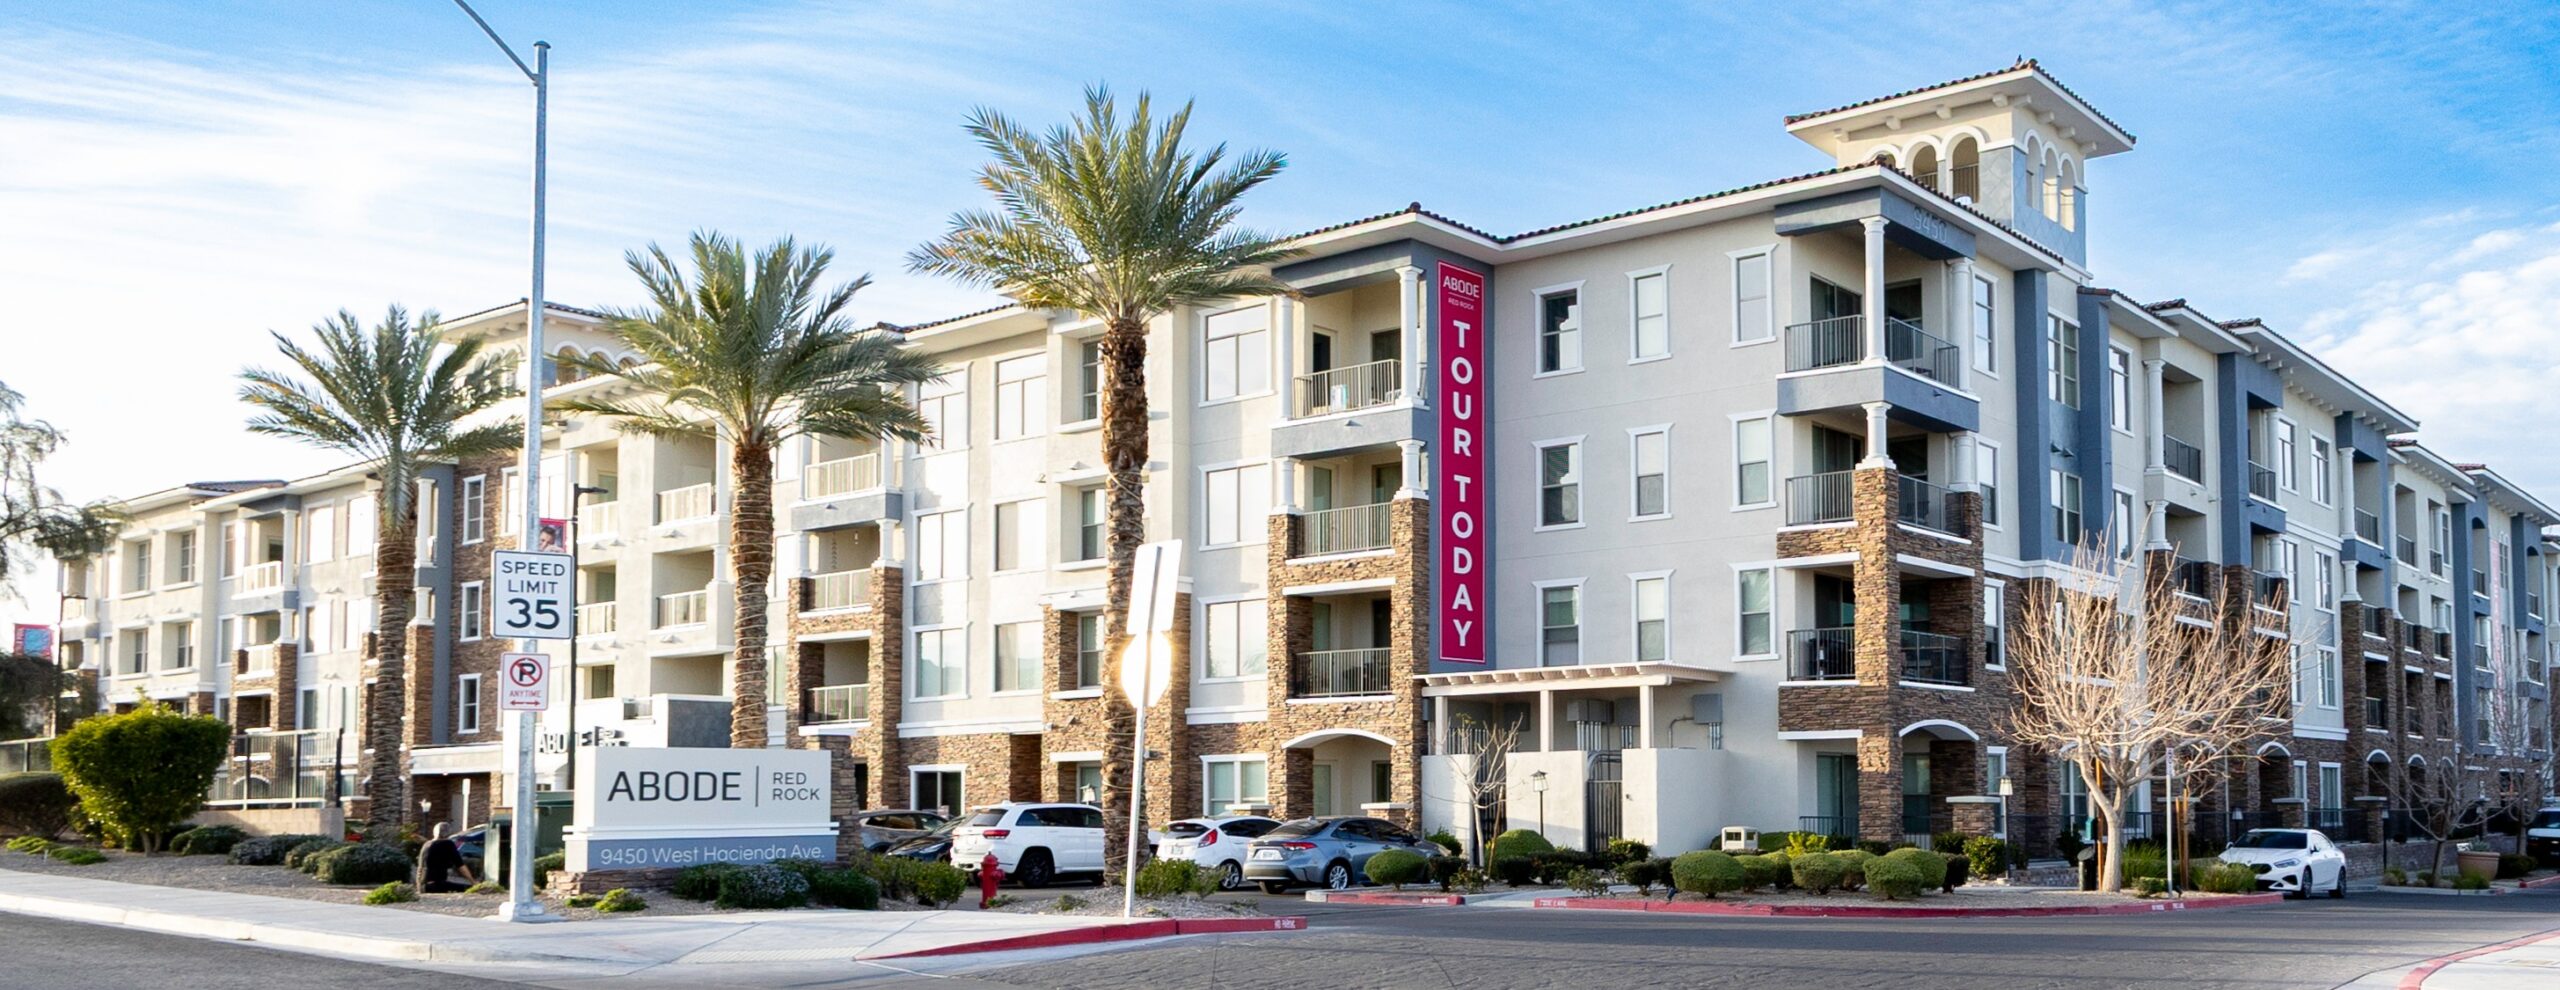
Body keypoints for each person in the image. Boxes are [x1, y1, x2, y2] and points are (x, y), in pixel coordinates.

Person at [418, 822, 477, 893]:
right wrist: (473, 882)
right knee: (468, 889)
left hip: (423, 886)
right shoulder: (448, 844)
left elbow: (420, 868)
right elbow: (460, 865)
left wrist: (419, 886)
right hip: (437, 885)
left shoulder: (426, 844)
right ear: (448, 833)